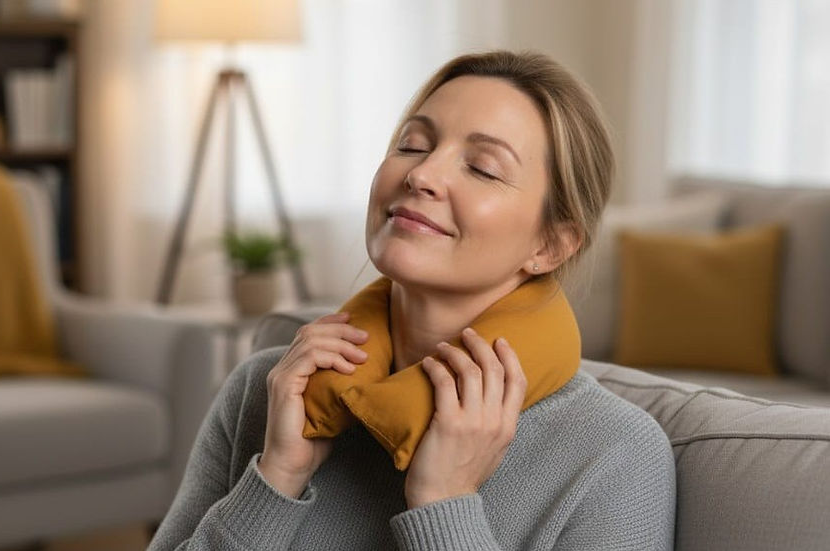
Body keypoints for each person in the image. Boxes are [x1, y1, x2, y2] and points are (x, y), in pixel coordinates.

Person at [147, 50, 676, 551]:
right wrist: (276, 478)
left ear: (551, 245)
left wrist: (445, 503)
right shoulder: (269, 390)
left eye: (483, 168)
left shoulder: (616, 454)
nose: (421, 175)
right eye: (413, 145)